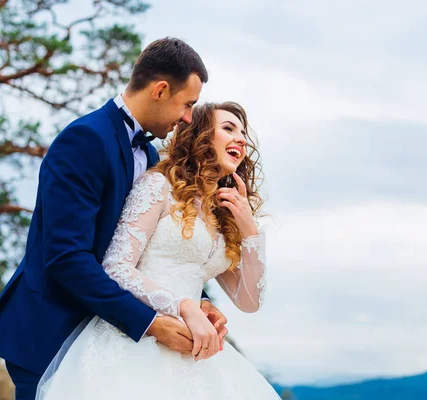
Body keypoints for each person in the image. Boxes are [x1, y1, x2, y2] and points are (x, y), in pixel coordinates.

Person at [0, 37, 228, 400]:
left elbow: (148, 247)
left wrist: (193, 299)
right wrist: (152, 324)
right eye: (187, 104)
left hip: (111, 341)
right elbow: (66, 257)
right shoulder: (85, 139)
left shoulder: (152, 157)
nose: (187, 117)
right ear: (160, 89)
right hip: (53, 332)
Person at [36, 101, 280, 399]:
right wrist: (184, 305)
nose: (241, 139)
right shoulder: (158, 185)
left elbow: (249, 301)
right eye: (228, 128)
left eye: (243, 133)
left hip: (195, 351)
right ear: (199, 134)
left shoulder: (224, 217)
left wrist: (249, 230)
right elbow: (116, 267)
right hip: (135, 341)